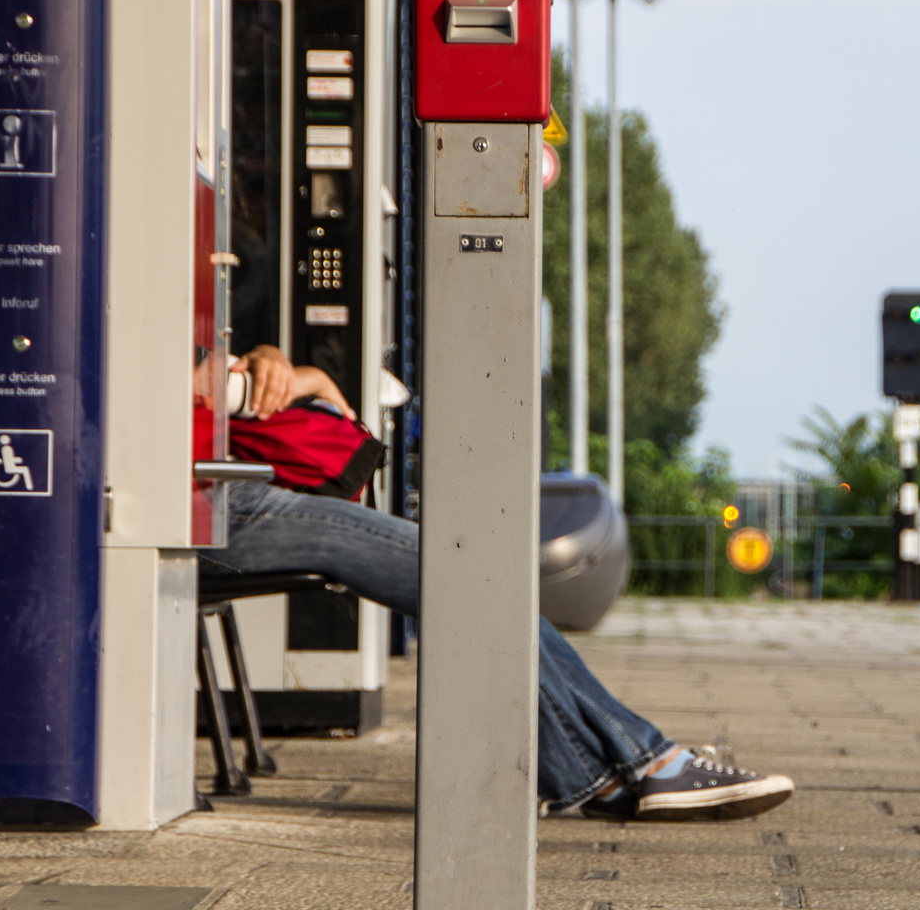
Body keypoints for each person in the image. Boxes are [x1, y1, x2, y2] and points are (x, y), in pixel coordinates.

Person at [199, 345, 794, 822]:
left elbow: (225, 376)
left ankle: (610, 777)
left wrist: (272, 359)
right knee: (466, 576)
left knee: (474, 579)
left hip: (229, 488)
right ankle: (644, 761)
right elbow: (201, 385)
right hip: (204, 501)